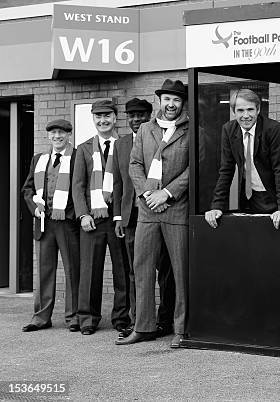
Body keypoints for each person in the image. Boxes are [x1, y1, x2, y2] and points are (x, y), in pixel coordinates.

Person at [117, 79, 189, 348]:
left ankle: (182, 328)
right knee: (142, 268)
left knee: (180, 271)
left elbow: (193, 169)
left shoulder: (191, 130)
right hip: (147, 208)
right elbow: (134, 163)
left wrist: (166, 193)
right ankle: (143, 327)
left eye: (176, 100)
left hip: (175, 208)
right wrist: (147, 193)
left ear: (182, 104)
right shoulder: (147, 129)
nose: (171, 105)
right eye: (167, 99)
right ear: (160, 101)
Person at [113, 98, 175, 339]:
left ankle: (164, 320)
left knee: (165, 272)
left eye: (141, 114)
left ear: (150, 114)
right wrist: (119, 215)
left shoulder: (160, 136)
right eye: (132, 115)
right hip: (131, 218)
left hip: (160, 212)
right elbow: (118, 182)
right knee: (135, 272)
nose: (136, 119)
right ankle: (139, 320)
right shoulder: (121, 145)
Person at [205, 89, 280, 229]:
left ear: (258, 110)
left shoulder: (273, 129)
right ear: (234, 112)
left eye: (250, 109)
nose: (246, 115)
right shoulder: (228, 130)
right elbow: (226, 170)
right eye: (240, 110)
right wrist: (217, 206)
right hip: (251, 200)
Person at [72, 100, 131, 335]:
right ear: (93, 119)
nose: (103, 120)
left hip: (117, 218)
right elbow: (78, 186)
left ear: (115, 118)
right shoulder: (84, 148)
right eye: (98, 117)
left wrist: (123, 216)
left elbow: (128, 184)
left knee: (122, 271)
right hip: (92, 219)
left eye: (107, 116)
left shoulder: (126, 145)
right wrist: (83, 214)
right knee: (89, 271)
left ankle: (121, 318)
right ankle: (87, 319)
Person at [21, 119, 80, 332]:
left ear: (68, 135)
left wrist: (71, 214)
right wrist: (33, 206)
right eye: (54, 133)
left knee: (73, 269)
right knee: (45, 271)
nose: (57, 136)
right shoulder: (39, 159)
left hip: (67, 223)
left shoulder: (76, 157)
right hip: (44, 223)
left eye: (62, 133)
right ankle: (41, 317)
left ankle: (73, 317)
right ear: (48, 136)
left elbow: (80, 188)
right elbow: (28, 189)